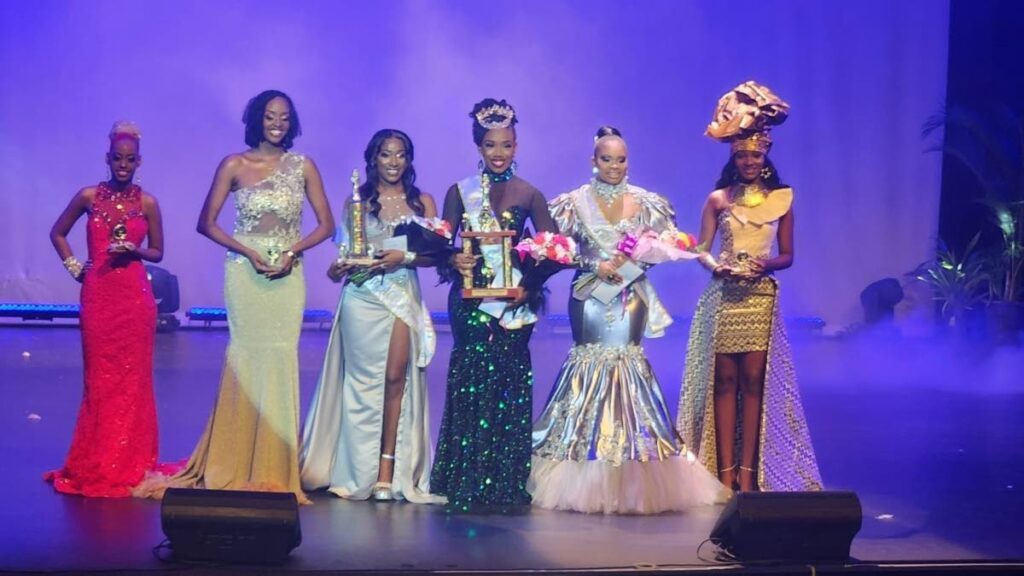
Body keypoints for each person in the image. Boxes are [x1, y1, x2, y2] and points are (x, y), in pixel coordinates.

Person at [529, 127, 725, 514]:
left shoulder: (647, 203)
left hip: (630, 297)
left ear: (628, 162)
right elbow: (554, 251)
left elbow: (668, 243)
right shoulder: (572, 203)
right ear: (593, 161)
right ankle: (579, 463)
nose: (614, 166)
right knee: (589, 364)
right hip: (588, 297)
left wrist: (653, 254)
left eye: (620, 159)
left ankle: (631, 472)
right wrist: (592, 263)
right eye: (606, 159)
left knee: (626, 365)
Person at [167, 89, 334, 502]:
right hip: (245, 273)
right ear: (257, 119)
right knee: (244, 358)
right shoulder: (234, 165)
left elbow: (326, 225)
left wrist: (292, 251)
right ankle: (232, 460)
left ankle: (275, 466)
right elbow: (206, 223)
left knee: (279, 359)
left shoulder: (303, 166)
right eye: (270, 116)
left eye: (284, 117)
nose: (277, 123)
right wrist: (248, 252)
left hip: (287, 276)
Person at [676, 81, 822, 492]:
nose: (749, 161)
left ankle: (749, 476)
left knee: (754, 383)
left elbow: (788, 255)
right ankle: (722, 476)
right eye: (741, 155)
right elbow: (700, 249)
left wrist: (764, 264)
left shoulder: (782, 199)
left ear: (766, 155)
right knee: (724, 382)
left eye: (755, 154)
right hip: (725, 298)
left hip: (759, 297)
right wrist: (716, 267)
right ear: (733, 157)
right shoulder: (718, 199)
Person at [300, 129, 443, 503]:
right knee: (361, 385)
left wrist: (405, 257)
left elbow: (435, 256)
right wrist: (336, 269)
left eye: (400, 155)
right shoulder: (357, 202)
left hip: (399, 291)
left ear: (409, 160)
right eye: (385, 155)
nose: (393, 162)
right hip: (362, 295)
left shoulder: (422, 202)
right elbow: (347, 256)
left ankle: (386, 470)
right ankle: (356, 472)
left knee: (396, 378)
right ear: (373, 159)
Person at [430, 98, 557, 512]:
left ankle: (503, 480)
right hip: (469, 303)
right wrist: (453, 258)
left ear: (516, 146)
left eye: (506, 145)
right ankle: (466, 476)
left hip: (513, 302)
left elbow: (556, 250)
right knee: (472, 381)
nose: (499, 153)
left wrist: (530, 285)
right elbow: (440, 247)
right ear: (479, 148)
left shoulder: (529, 193)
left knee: (508, 385)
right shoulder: (459, 192)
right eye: (490, 145)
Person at [46, 121, 166, 497]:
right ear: (108, 159)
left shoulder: (147, 203)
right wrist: (73, 267)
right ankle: (97, 458)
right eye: (118, 159)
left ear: (139, 162)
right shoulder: (87, 197)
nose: (123, 165)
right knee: (99, 382)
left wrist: (135, 250)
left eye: (130, 160)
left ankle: (130, 461)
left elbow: (159, 251)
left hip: (134, 300)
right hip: (98, 297)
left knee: (133, 383)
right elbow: (57, 232)